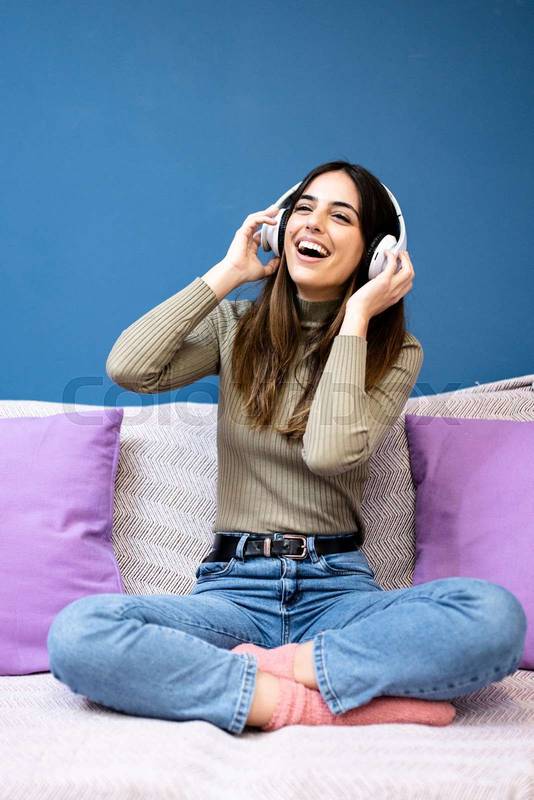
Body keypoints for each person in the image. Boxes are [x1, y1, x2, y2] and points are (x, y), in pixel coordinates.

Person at [46, 160, 527, 736]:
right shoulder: (236, 327)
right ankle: (310, 702)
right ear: (279, 228)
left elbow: (329, 452)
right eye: (303, 209)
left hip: (339, 594)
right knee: (80, 633)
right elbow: (129, 367)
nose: (313, 224)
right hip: (233, 593)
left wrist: (355, 318)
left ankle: (274, 673)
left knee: (494, 618)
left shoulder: (394, 351)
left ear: (376, 255)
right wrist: (228, 271)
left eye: (339, 216)